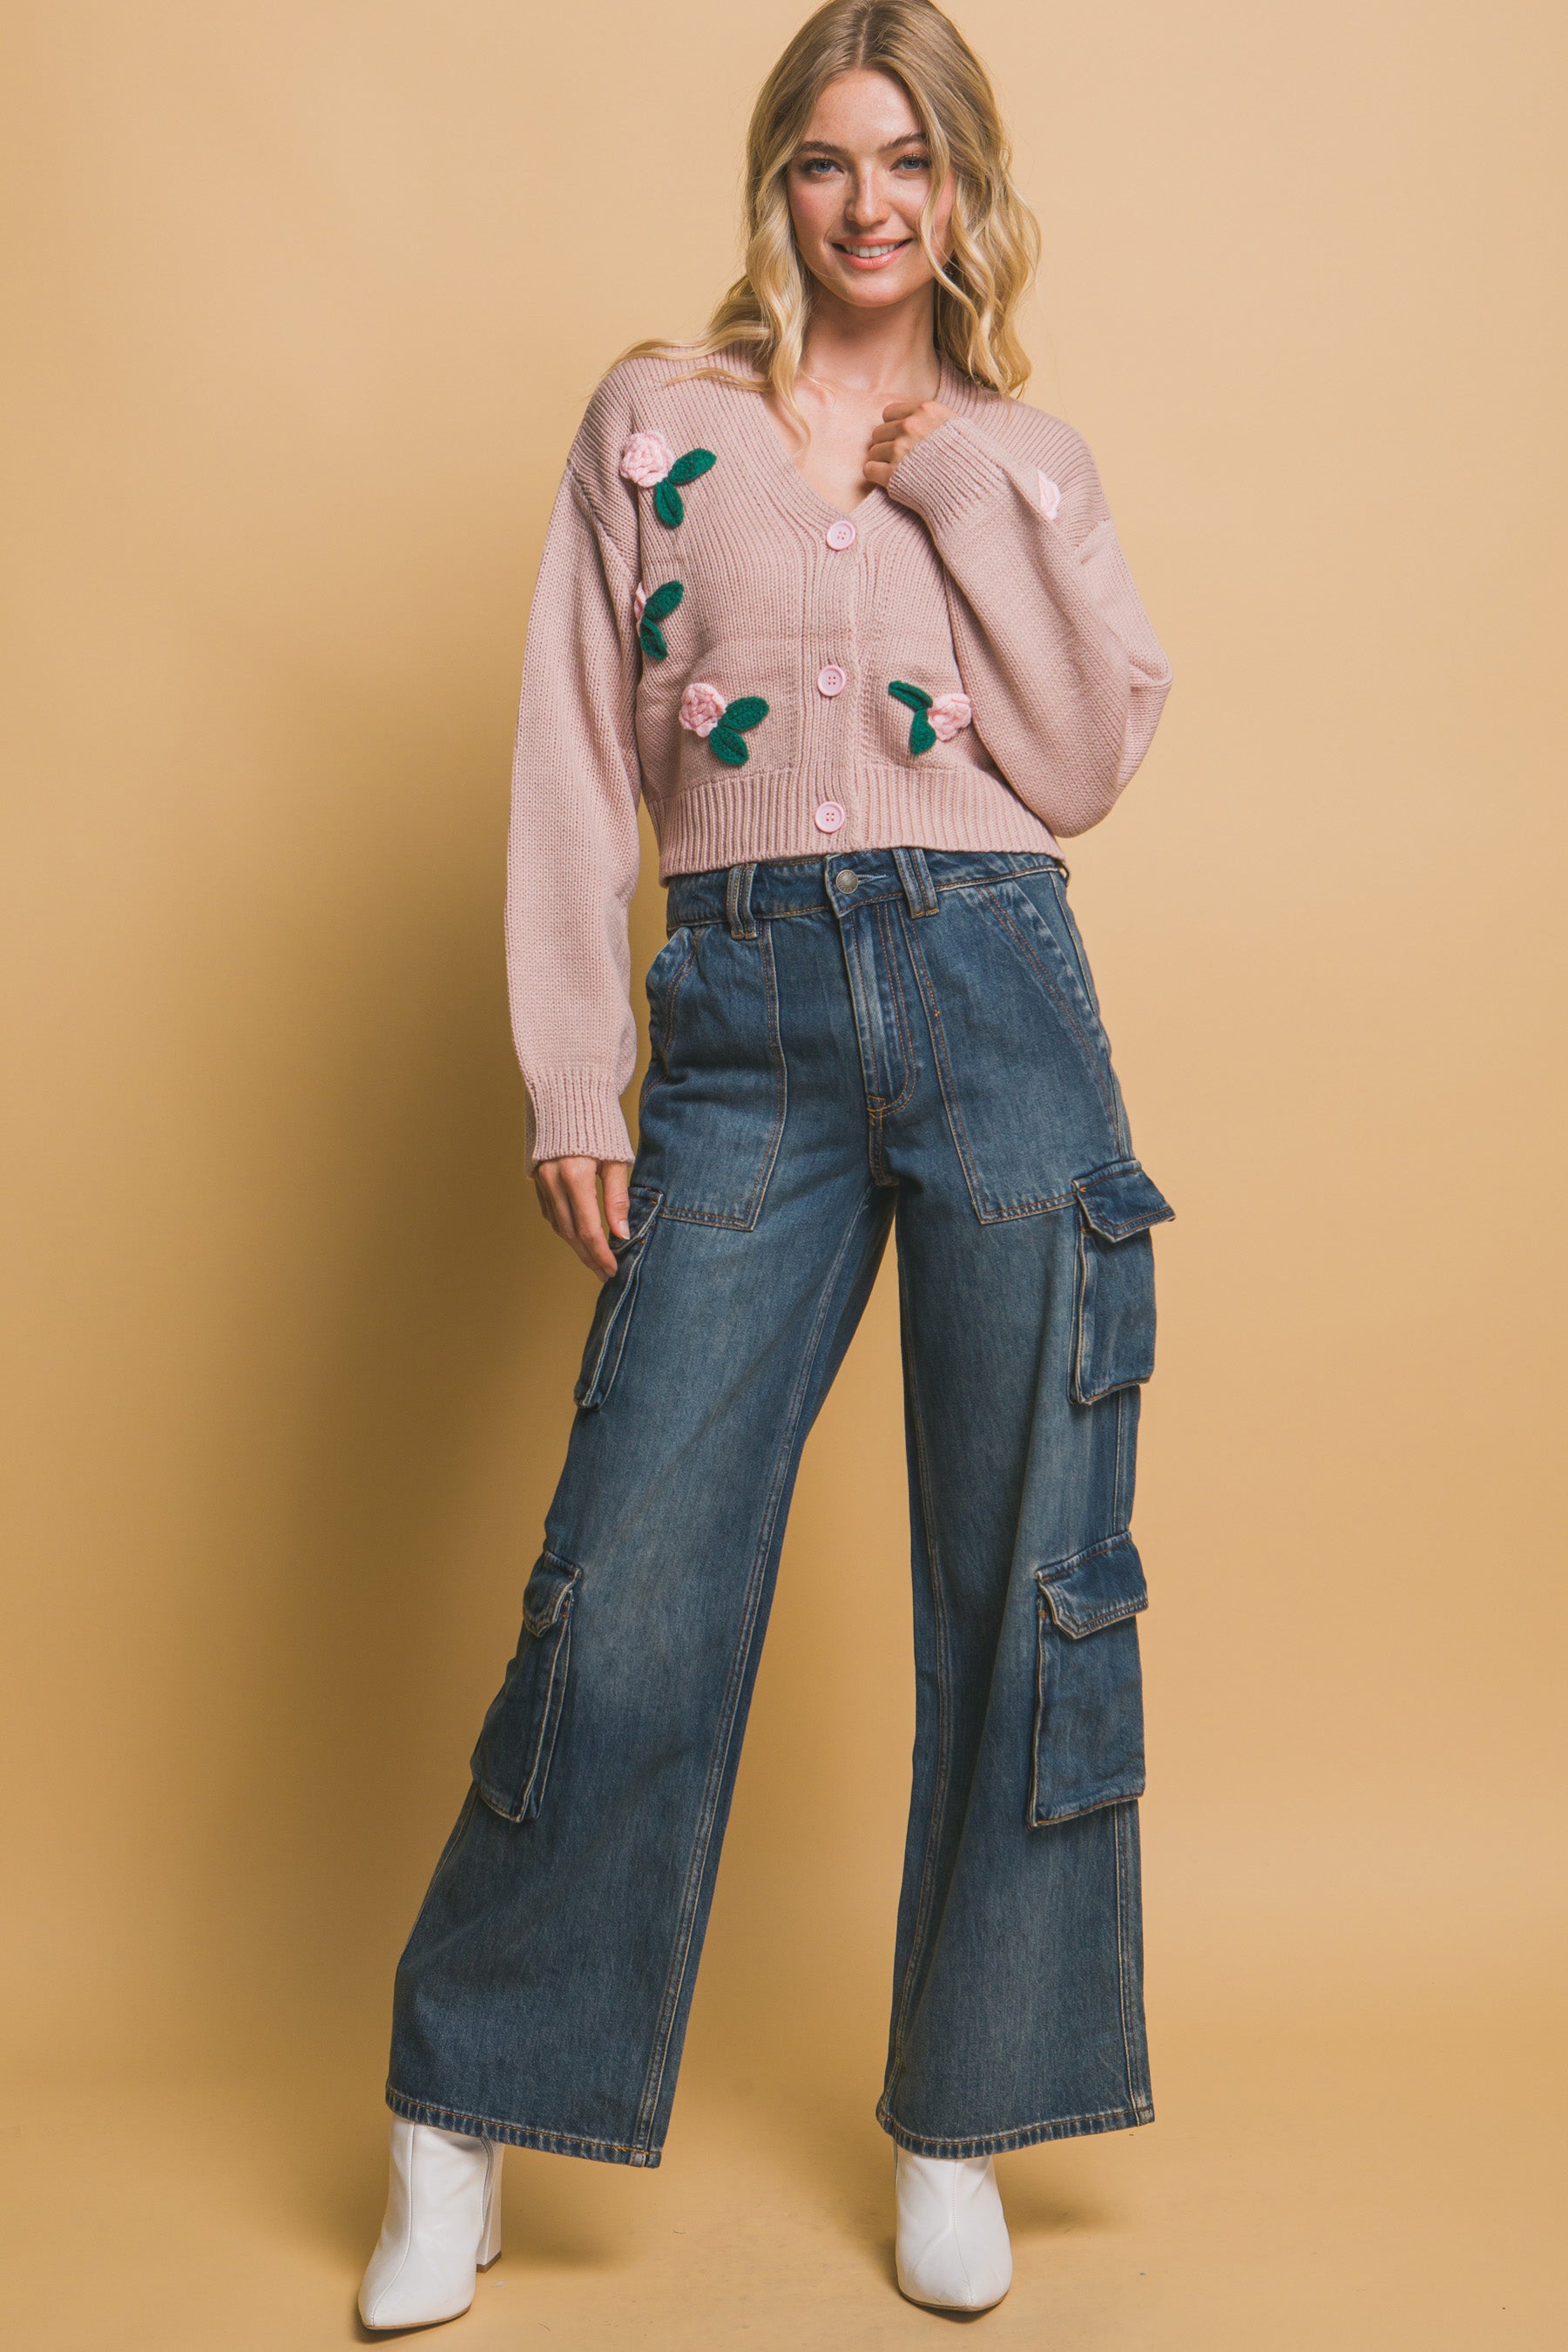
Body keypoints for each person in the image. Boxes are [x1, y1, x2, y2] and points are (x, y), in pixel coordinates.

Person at [359, 0, 1173, 2327]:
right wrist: (576, 1069)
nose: (870, 203)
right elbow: (567, 752)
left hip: (1003, 1000)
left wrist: (947, 479)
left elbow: (1088, 747)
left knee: (1026, 1572)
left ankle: (962, 2110)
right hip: (745, 1032)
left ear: (963, 188)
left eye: (910, 161)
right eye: (828, 162)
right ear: (776, 190)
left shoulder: (1023, 451)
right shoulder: (660, 423)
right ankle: (463, 2107)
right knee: (634, 1578)